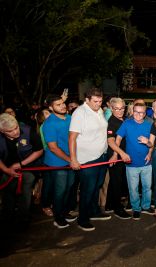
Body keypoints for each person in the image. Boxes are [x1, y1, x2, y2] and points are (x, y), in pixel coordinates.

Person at [69, 87, 110, 231]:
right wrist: (73, 159)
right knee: (88, 189)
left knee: (97, 185)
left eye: (100, 101)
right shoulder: (80, 113)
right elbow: (72, 138)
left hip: (101, 156)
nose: (98, 104)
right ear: (87, 100)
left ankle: (94, 211)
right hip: (87, 159)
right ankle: (83, 219)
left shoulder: (99, 110)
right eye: (95, 101)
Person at [0, 113, 43, 226]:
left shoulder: (28, 130)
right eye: (10, 131)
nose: (15, 132)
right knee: (8, 192)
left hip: (28, 166)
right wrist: (6, 170)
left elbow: (39, 150)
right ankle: (7, 216)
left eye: (16, 127)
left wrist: (21, 164)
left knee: (26, 189)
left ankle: (23, 217)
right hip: (7, 168)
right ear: (2, 131)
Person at [42, 94, 76, 228]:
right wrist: (70, 159)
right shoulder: (49, 123)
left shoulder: (70, 118)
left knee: (69, 187)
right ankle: (58, 217)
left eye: (62, 103)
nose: (62, 106)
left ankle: (64, 211)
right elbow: (53, 148)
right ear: (50, 107)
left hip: (71, 159)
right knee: (60, 190)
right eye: (58, 104)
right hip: (57, 162)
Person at [114, 103, 153, 220]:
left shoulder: (149, 124)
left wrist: (147, 142)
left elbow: (152, 144)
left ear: (145, 113)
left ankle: (146, 206)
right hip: (131, 163)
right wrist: (118, 153)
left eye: (141, 112)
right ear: (132, 111)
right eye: (136, 112)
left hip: (146, 163)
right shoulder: (126, 123)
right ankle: (136, 208)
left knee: (147, 187)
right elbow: (118, 139)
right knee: (133, 188)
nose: (138, 115)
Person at [105, 98, 131, 219]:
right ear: (111, 108)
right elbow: (111, 141)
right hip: (116, 156)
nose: (120, 111)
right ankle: (118, 208)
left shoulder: (124, 119)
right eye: (116, 109)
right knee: (117, 183)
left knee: (115, 181)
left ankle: (109, 205)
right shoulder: (112, 122)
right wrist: (118, 154)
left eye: (122, 108)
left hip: (122, 155)